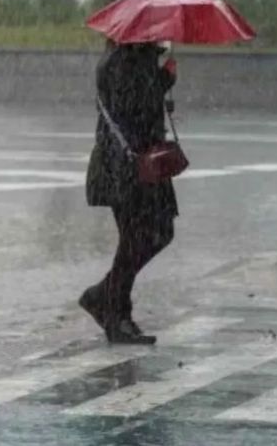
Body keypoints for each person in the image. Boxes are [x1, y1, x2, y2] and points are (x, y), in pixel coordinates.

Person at [79, 41, 178, 345]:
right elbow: (131, 109)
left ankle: (105, 299)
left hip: (141, 162)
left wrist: (160, 81)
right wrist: (162, 81)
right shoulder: (122, 61)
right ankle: (116, 313)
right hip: (126, 165)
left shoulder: (134, 58)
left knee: (157, 232)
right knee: (139, 237)